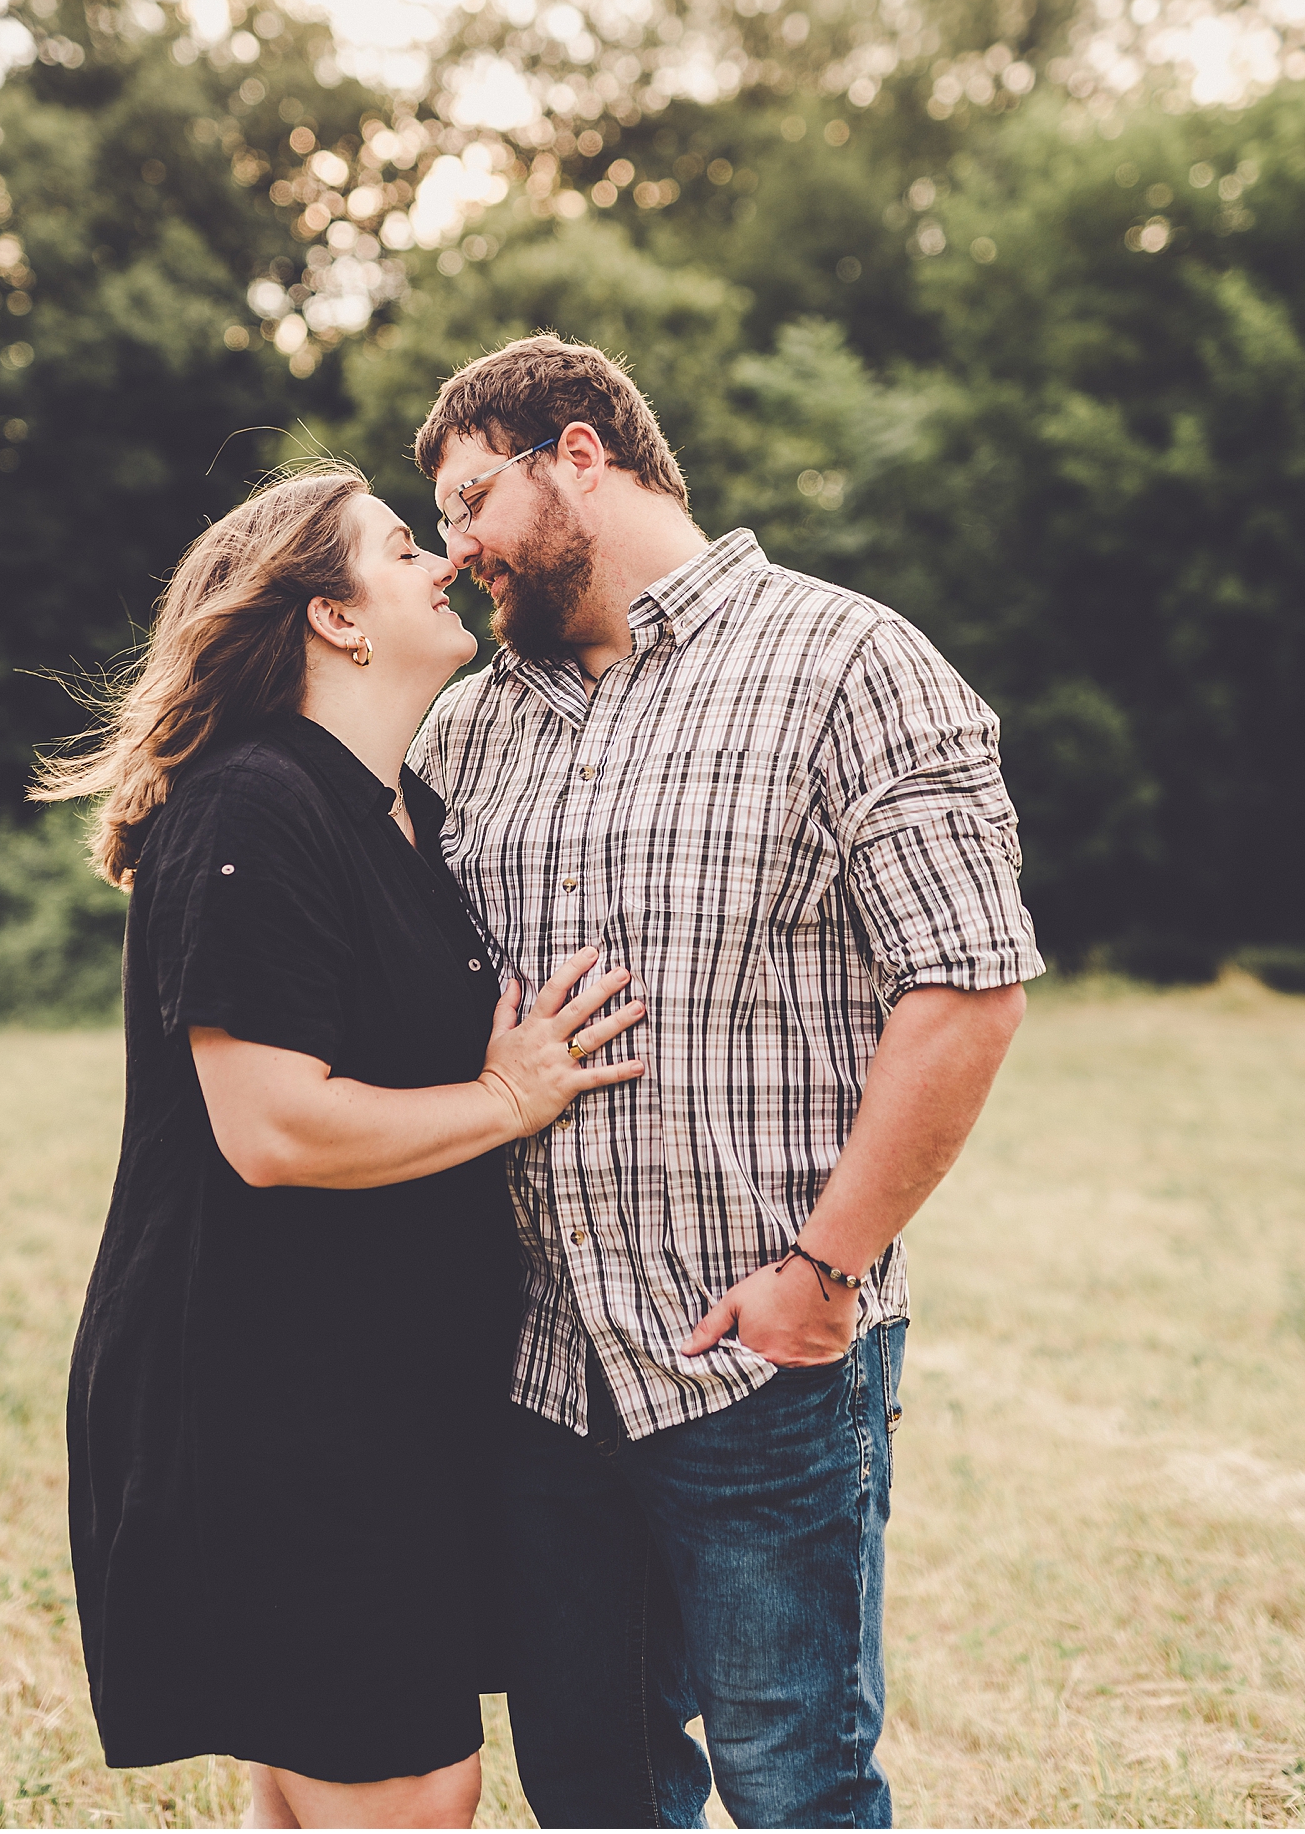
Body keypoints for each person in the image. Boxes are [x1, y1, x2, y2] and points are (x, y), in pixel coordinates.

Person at [407, 337, 1046, 1832]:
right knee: (593, 1787)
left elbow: (965, 987)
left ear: (578, 451)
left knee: (797, 1784)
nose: (456, 554)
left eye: (466, 501)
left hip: (756, 1357)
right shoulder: (470, 723)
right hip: (540, 1371)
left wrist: (822, 1271)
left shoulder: (847, 661)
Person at [33, 467, 646, 1832]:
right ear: (336, 616)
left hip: (372, 1390)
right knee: (414, 1789)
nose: (443, 561)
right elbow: (272, 1125)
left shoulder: (396, 811)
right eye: (401, 545)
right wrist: (511, 1095)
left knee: (316, 1793)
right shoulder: (256, 802)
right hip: (270, 1398)